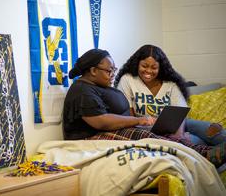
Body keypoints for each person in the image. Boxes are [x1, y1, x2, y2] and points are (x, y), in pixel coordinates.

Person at [63, 48, 226, 168]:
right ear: (92, 70)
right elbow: (100, 122)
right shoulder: (82, 90)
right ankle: (206, 154)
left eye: (114, 69)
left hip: (120, 129)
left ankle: (209, 151)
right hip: (93, 137)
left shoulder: (98, 85)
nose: (113, 73)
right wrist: (139, 119)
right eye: (109, 70)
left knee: (156, 132)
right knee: (149, 137)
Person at [114, 44, 226, 146]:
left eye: (154, 68)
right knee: (198, 142)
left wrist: (179, 136)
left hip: (178, 125)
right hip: (147, 131)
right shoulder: (128, 80)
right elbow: (128, 117)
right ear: (137, 64)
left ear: (160, 67)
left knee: (215, 130)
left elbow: (179, 114)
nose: (148, 71)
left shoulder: (170, 83)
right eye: (144, 66)